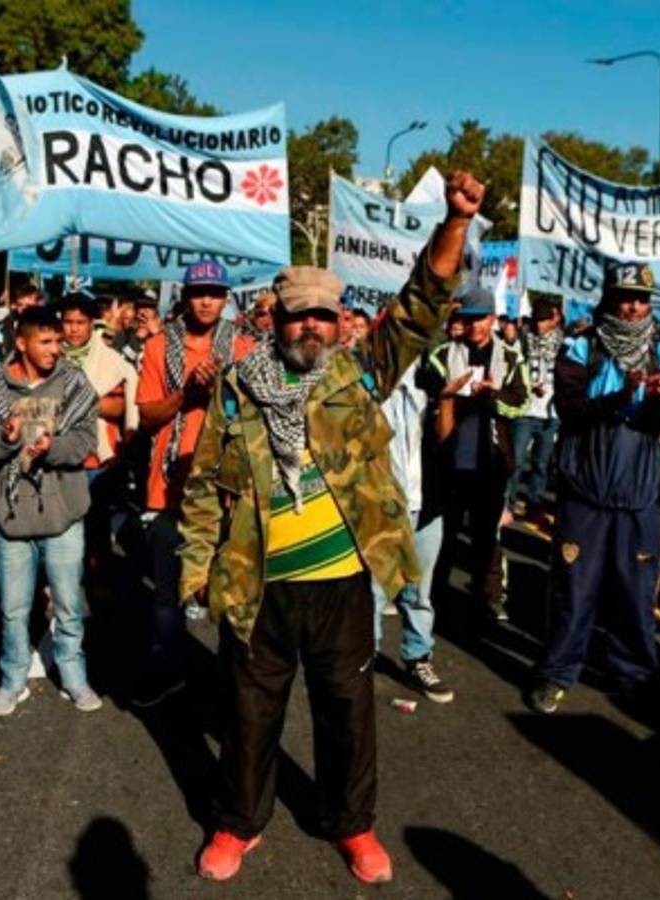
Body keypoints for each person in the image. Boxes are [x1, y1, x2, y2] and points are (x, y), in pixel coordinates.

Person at [181, 170, 483, 885]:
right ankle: (237, 823)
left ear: (341, 320)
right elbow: (202, 490)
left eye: (323, 315)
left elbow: (419, 305)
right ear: (273, 319)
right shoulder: (238, 387)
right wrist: (196, 571)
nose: (311, 326)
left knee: (347, 713)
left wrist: (454, 222)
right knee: (250, 718)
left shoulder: (359, 374)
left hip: (344, 584)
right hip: (260, 586)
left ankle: (350, 825)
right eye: (297, 316)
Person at [529, 262, 660, 714]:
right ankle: (556, 673)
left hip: (638, 496)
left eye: (641, 298)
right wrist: (622, 395)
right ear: (610, 298)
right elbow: (570, 406)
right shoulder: (582, 344)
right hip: (585, 492)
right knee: (573, 591)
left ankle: (634, 674)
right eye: (624, 297)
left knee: (636, 594)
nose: (633, 306)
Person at [0, 306, 102, 716]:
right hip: (12, 514)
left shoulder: (74, 383)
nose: (55, 349)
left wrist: (52, 448)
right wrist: (5, 440)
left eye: (58, 341)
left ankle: (75, 676)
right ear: (20, 343)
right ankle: (13, 679)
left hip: (62, 513)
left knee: (68, 603)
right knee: (13, 609)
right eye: (45, 341)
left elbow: (85, 440)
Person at [134, 261, 255, 706]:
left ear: (227, 298)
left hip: (229, 492)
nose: (207, 300)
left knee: (230, 595)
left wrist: (224, 390)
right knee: (168, 595)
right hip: (170, 488)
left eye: (216, 292)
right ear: (184, 296)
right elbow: (146, 418)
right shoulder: (158, 347)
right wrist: (187, 394)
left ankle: (230, 682)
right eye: (199, 291)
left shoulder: (244, 347)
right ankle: (171, 671)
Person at [430, 287, 529, 623]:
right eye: (467, 319)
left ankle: (488, 598)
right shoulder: (443, 354)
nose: (473, 326)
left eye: (480, 319)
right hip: (450, 459)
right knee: (442, 533)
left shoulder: (511, 357)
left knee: (487, 537)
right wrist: (448, 395)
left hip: (491, 462)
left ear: (492, 319)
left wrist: (493, 396)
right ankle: (434, 597)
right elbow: (426, 389)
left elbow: (522, 402)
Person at [373, 358, 454, 703]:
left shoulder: (434, 372)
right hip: (380, 504)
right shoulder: (368, 374)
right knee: (372, 589)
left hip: (427, 501)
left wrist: (446, 399)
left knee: (419, 591)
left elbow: (445, 440)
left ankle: (418, 657)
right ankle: (364, 656)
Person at [59, 292, 138, 600]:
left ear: (92, 324)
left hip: (97, 459)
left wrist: (77, 403)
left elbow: (119, 407)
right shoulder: (48, 354)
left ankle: (98, 584)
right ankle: (59, 588)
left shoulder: (111, 360)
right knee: (60, 529)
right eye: (68, 322)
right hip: (58, 456)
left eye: (80, 322)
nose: (74, 329)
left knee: (96, 529)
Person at [508, 295, 563, 517]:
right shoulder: (524, 338)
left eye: (544, 320)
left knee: (541, 464)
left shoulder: (565, 344)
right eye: (536, 320)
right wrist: (528, 386)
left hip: (551, 413)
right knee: (517, 460)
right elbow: (513, 367)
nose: (539, 325)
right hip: (525, 410)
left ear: (555, 319)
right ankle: (508, 502)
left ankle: (535, 503)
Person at [0, 283, 42, 366]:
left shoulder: (48, 329)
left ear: (39, 304)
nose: (23, 309)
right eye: (20, 305)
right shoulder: (8, 325)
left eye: (28, 305)